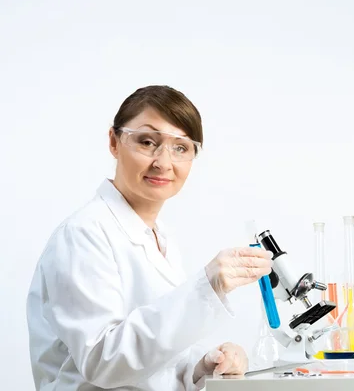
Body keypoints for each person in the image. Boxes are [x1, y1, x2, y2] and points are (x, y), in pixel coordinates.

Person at [26, 85, 273, 390]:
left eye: (181, 147)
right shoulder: (83, 234)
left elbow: (153, 359)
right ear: (114, 142)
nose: (163, 162)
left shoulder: (159, 238)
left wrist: (202, 366)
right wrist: (205, 286)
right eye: (147, 141)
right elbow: (102, 362)